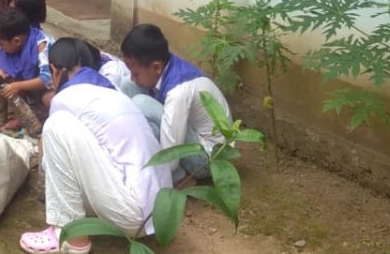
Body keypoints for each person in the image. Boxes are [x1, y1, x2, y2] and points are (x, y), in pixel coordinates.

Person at [19, 38, 171, 254]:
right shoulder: (112, 90)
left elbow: (54, 159)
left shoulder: (65, 97)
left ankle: (70, 236)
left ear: (54, 70)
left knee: (55, 126)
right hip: (161, 212)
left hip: (133, 212)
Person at [120, 24, 232, 184]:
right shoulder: (166, 65)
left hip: (207, 159)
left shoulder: (178, 91)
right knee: (126, 85)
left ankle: (179, 177)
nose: (133, 77)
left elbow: (170, 156)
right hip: (189, 135)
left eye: (136, 73)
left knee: (141, 103)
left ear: (156, 67)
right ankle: (133, 153)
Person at [0, 6, 53, 134]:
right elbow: (6, 65)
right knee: (3, 84)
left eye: (1, 43)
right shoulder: (13, 45)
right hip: (32, 91)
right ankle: (16, 116)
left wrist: (18, 85)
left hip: (52, 88)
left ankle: (37, 116)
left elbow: (48, 79)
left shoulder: (42, 45)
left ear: (16, 41)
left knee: (49, 98)